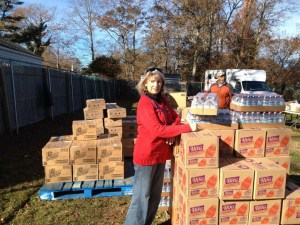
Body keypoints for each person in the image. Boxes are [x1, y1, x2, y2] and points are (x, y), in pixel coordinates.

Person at [124, 67, 197, 225]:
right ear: (145, 84)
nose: (156, 84)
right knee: (141, 198)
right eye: (152, 81)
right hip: (147, 156)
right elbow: (157, 129)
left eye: (159, 81)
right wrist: (186, 128)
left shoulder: (162, 100)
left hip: (160, 155)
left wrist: (171, 132)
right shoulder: (145, 103)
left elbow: (175, 117)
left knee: (155, 197)